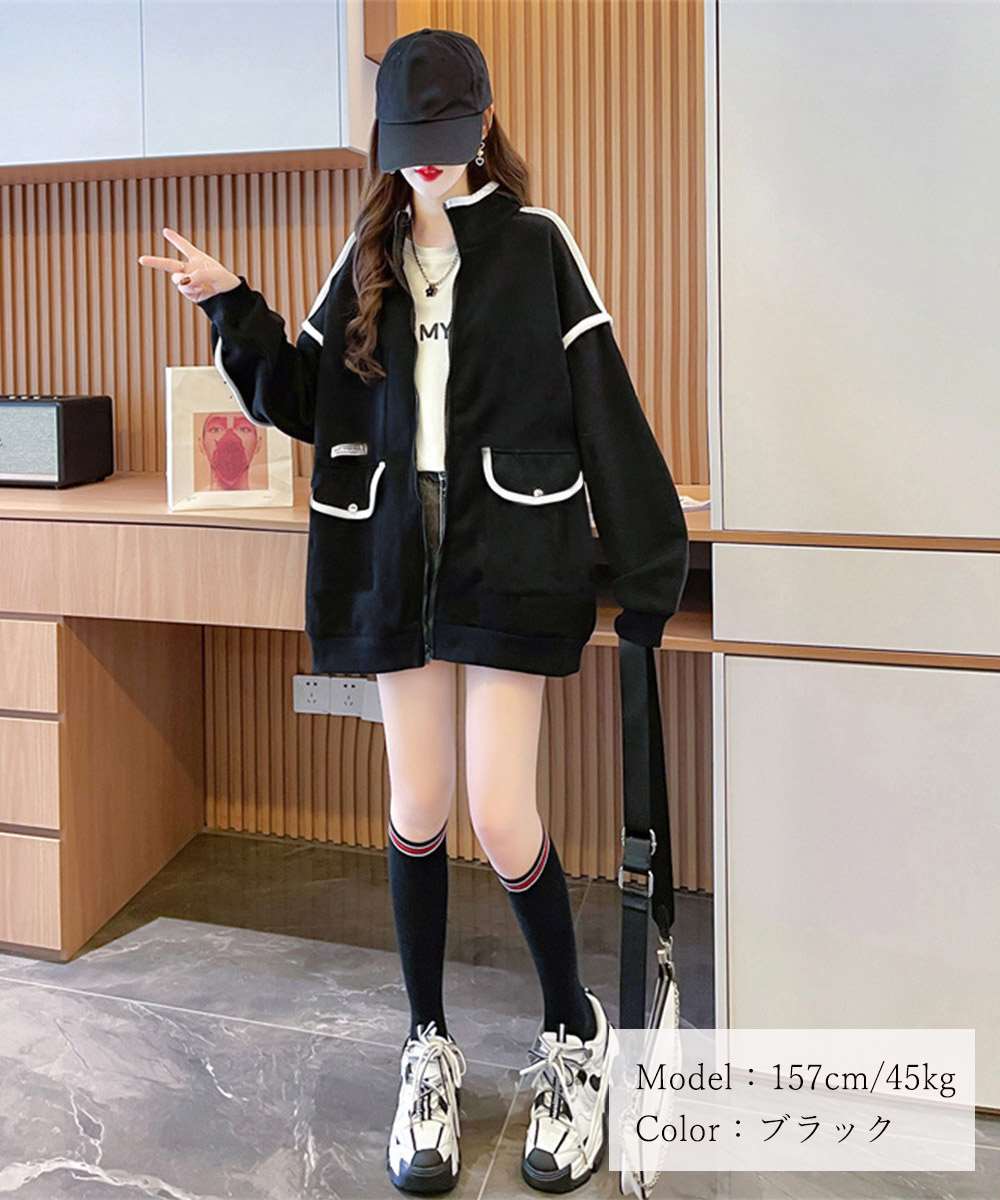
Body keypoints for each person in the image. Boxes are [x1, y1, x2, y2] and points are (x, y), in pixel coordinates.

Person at [138, 26, 688, 1196]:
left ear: (482, 126)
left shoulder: (536, 244)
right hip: (391, 550)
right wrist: (233, 303)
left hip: (509, 548)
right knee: (418, 803)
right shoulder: (369, 253)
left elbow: (604, 399)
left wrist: (650, 568)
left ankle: (573, 1030)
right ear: (386, 140)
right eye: (408, 140)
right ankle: (425, 1046)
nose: (427, 158)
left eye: (445, 135)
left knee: (500, 810)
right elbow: (304, 398)